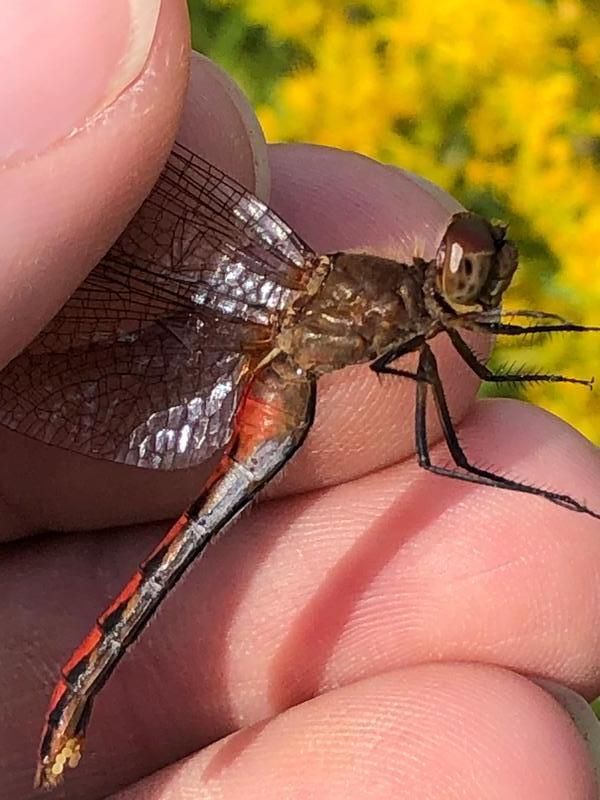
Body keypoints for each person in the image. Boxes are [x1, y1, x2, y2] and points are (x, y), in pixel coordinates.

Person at [2, 2, 600, 798]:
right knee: (443, 455)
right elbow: (441, 451)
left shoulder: (414, 315)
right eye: (469, 272)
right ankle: (76, 694)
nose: (479, 286)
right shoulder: (391, 311)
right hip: (277, 384)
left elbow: (462, 364)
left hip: (290, 373)